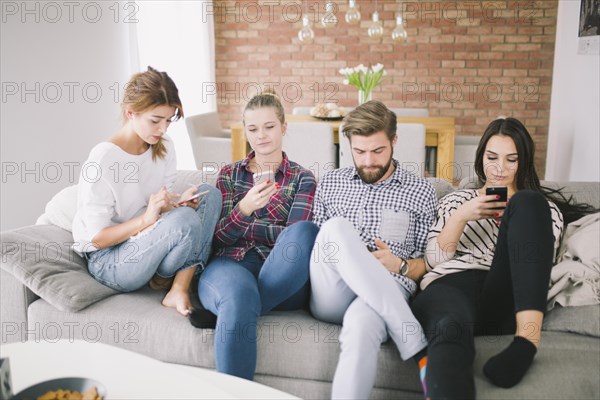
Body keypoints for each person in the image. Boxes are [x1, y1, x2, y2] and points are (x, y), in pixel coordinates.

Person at [411, 117, 595, 399]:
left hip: (503, 292)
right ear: (480, 155)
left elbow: (536, 263)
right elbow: (435, 261)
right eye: (492, 157)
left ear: (524, 162)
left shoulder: (542, 210)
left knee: (528, 201)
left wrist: (512, 217)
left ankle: (527, 342)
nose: (499, 169)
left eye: (511, 159)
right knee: (449, 330)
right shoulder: (456, 201)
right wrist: (463, 215)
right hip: (450, 287)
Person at [309, 101, 437, 399]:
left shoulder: (421, 191)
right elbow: (320, 247)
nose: (368, 160)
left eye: (377, 151)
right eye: (359, 151)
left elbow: (428, 264)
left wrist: (401, 265)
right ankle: (418, 346)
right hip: (333, 292)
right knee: (336, 228)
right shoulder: (330, 182)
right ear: (348, 147)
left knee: (361, 326)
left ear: (394, 141)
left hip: (386, 289)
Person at [72, 67, 221, 317]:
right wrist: (146, 220)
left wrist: (174, 204)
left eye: (168, 120)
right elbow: (96, 239)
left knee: (210, 195)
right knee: (185, 221)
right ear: (131, 113)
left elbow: (157, 206)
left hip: (147, 241)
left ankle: (177, 287)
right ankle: (165, 279)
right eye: (155, 120)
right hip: (111, 258)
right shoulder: (103, 159)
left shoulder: (163, 147)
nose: (163, 129)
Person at [194, 90, 319, 380]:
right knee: (238, 294)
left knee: (305, 231)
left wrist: (245, 223)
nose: (261, 135)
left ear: (284, 127)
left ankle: (227, 312)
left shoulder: (303, 178)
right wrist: (244, 207)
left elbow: (293, 239)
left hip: (279, 272)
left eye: (269, 126)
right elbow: (219, 238)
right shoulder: (229, 174)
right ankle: (236, 308)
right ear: (245, 132)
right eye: (253, 129)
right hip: (230, 265)